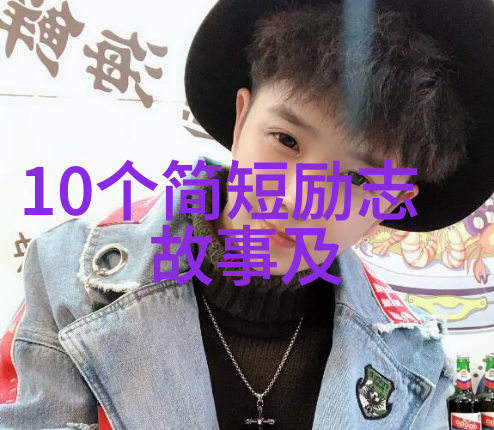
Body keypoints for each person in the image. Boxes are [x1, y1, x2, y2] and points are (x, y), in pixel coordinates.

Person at [1, 0, 494, 429]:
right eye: (286, 140)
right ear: (241, 120)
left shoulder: (415, 362)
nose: (298, 199)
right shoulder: (70, 283)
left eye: (356, 179)